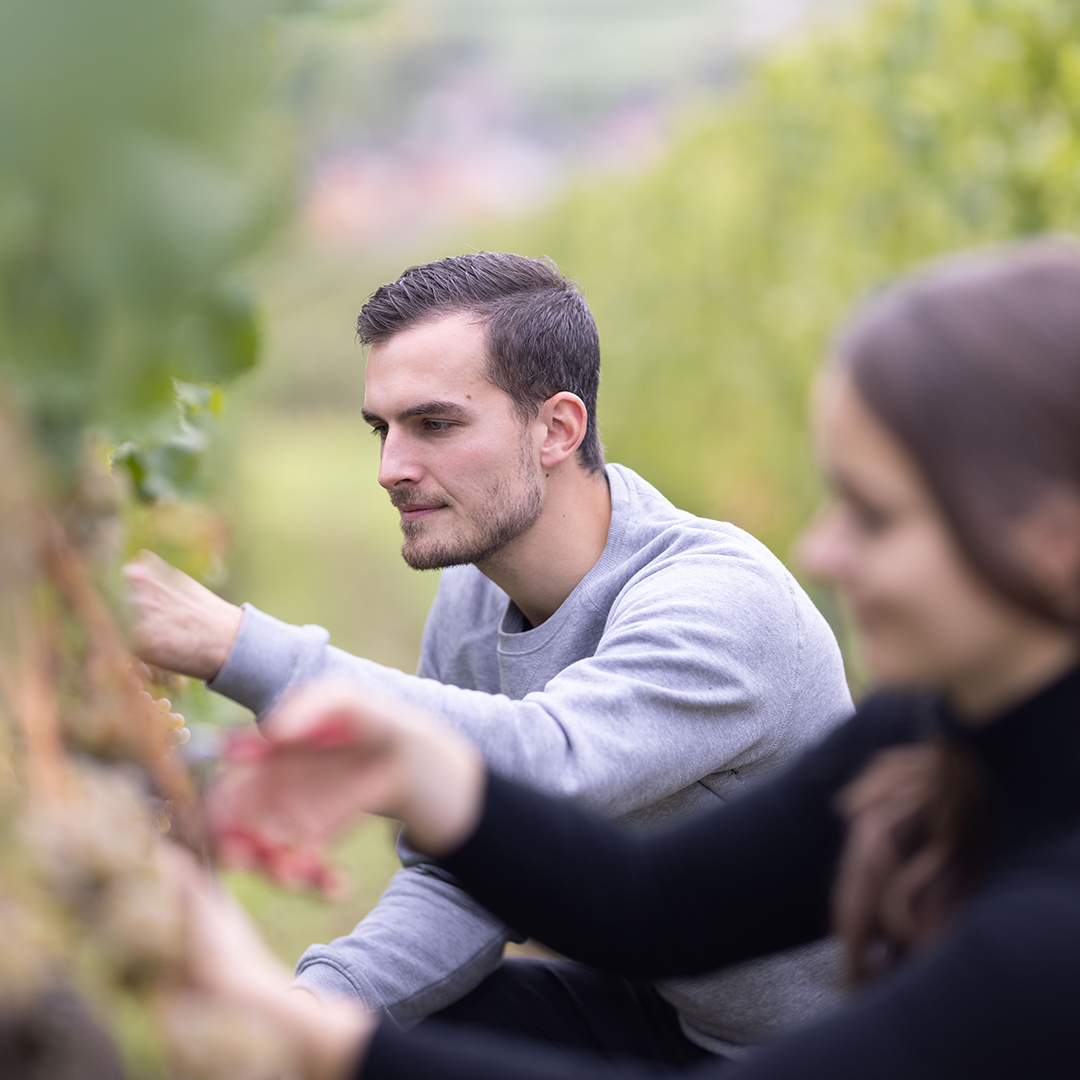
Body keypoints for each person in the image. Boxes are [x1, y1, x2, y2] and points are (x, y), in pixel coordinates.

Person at [196, 236, 1080, 1079]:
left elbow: (564, 774)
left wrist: (306, 1038)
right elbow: (653, 906)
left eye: (874, 514)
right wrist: (417, 769)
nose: (820, 552)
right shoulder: (934, 721)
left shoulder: (1047, 932)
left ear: (1055, 541)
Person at [125, 252, 852, 1060]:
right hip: (672, 1021)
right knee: (407, 1021)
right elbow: (466, 872)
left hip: (841, 1055)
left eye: (434, 424)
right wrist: (299, 1013)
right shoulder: (474, 599)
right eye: (382, 427)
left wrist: (235, 648)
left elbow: (544, 766)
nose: (391, 468)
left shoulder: (719, 602)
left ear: (557, 429)